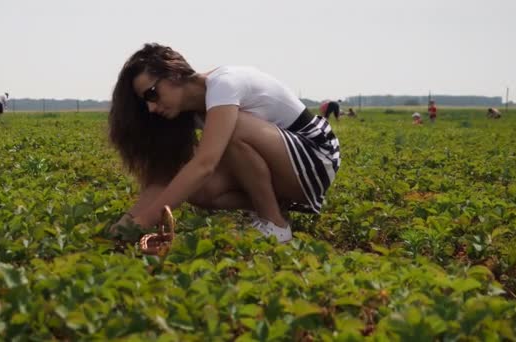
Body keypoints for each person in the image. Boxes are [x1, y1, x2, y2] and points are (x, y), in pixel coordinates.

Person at [108, 43, 341, 243]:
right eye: (145, 102)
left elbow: (205, 163)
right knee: (199, 191)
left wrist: (146, 222)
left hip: (316, 156)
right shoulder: (188, 113)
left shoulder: (223, 85)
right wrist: (127, 224)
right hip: (287, 166)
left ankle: (276, 225)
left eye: (151, 94)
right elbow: (162, 180)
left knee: (229, 129)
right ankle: (273, 207)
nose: (151, 107)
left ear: (173, 73)